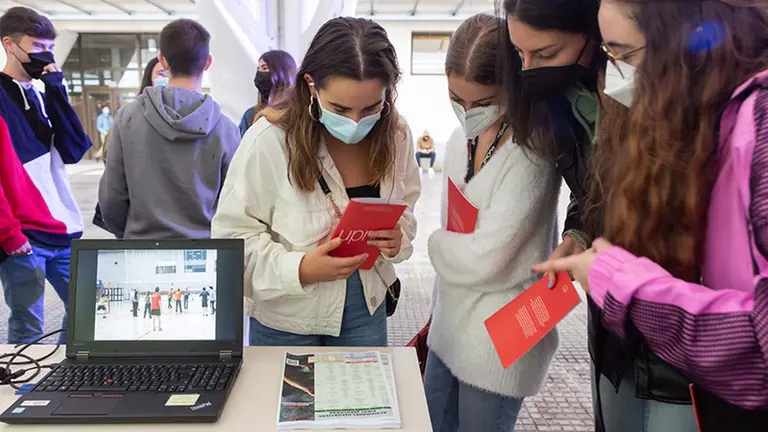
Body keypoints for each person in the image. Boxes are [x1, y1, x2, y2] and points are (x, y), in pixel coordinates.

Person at [534, 0, 768, 430]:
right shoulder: (689, 116)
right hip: (646, 366)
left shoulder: (758, 124)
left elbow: (758, 341)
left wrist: (621, 284)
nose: (613, 74)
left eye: (622, 53)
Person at [212, 16, 420, 347]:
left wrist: (398, 239)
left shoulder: (396, 135)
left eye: (371, 107)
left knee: (361, 399)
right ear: (311, 84)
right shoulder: (269, 140)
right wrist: (302, 268)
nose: (355, 122)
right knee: (288, 400)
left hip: (366, 307)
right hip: (287, 315)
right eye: (340, 108)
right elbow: (232, 243)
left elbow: (405, 209)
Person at [423, 15, 560, 432]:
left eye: (482, 103)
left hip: (503, 339)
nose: (468, 113)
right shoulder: (456, 142)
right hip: (449, 327)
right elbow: (466, 243)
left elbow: (488, 259)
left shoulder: (531, 151)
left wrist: (435, 245)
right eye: (456, 98)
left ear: (513, 87)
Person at [98, 19, 240, 240]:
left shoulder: (127, 119)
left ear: (162, 61)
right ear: (207, 62)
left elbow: (112, 198)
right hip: (206, 255)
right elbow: (235, 203)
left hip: (141, 250)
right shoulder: (227, 129)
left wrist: (127, 233)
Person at [0, 7, 92, 344]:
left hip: (62, 228)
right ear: (10, 44)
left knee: (84, 314)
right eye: (37, 46)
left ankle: (66, 383)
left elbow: (73, 149)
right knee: (28, 325)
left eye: (49, 47)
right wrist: (9, 234)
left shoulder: (40, 93)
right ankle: (24, 395)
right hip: (23, 235)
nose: (46, 55)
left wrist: (56, 90)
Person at [239, 50, 297, 136]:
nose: (259, 73)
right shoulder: (250, 115)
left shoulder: (299, 113)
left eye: (265, 68)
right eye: (258, 69)